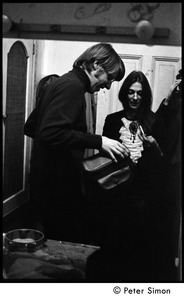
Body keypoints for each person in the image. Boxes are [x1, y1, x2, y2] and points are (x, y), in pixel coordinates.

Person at [24, 43, 126, 243]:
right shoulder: (73, 87)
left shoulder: (59, 82)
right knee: (63, 243)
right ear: (96, 65)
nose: (108, 86)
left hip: (44, 182)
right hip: (57, 186)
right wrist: (98, 141)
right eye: (110, 78)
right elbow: (50, 132)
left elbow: (31, 127)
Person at [85, 71, 173, 282]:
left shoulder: (155, 121)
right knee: (115, 246)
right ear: (125, 94)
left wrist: (155, 146)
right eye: (131, 93)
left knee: (141, 249)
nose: (135, 98)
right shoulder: (112, 120)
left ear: (145, 96)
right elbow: (105, 159)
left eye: (139, 94)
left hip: (145, 195)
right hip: (117, 194)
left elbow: (166, 163)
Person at [156, 69, 182, 280]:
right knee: (167, 220)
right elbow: (156, 129)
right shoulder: (175, 103)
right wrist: (167, 99)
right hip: (170, 171)